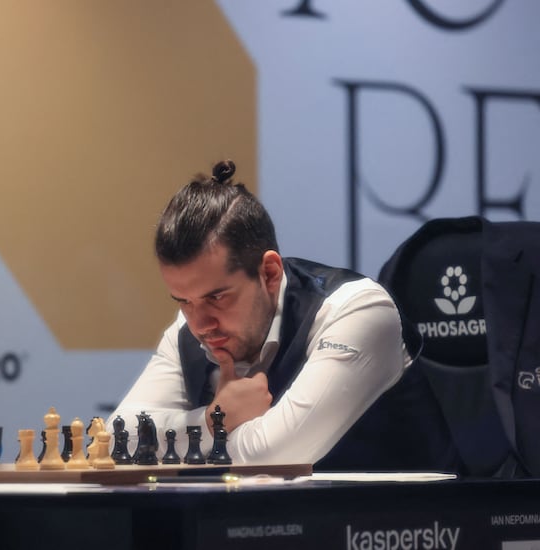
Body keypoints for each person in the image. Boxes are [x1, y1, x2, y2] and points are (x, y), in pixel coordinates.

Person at [108, 159, 426, 467]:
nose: (200, 324)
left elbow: (275, 455)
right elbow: (114, 441)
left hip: (397, 519)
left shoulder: (358, 310)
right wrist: (213, 419)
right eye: (183, 301)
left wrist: (191, 439)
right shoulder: (188, 329)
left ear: (270, 274)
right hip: (261, 520)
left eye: (216, 297)